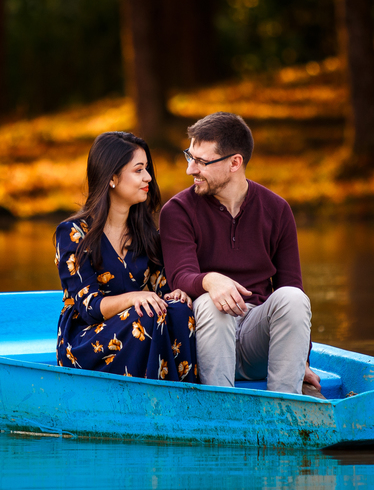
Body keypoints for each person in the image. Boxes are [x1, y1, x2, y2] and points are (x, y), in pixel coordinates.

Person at [159, 112, 321, 397]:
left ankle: (284, 410)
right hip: (204, 343)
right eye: (189, 156)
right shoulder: (178, 210)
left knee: (294, 298)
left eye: (201, 161)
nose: (190, 169)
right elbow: (180, 275)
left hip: (259, 340)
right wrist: (211, 281)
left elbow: (291, 286)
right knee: (213, 303)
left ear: (235, 162)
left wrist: (301, 360)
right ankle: (223, 414)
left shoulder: (277, 210)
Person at [55, 131, 198, 382]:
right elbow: (89, 307)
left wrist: (177, 293)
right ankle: (150, 397)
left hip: (140, 326)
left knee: (178, 310)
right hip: (87, 341)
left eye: (147, 169)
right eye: (139, 170)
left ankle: (184, 397)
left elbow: (159, 288)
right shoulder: (74, 234)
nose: (148, 177)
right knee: (146, 313)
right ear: (112, 177)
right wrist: (135, 297)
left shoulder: (146, 235)